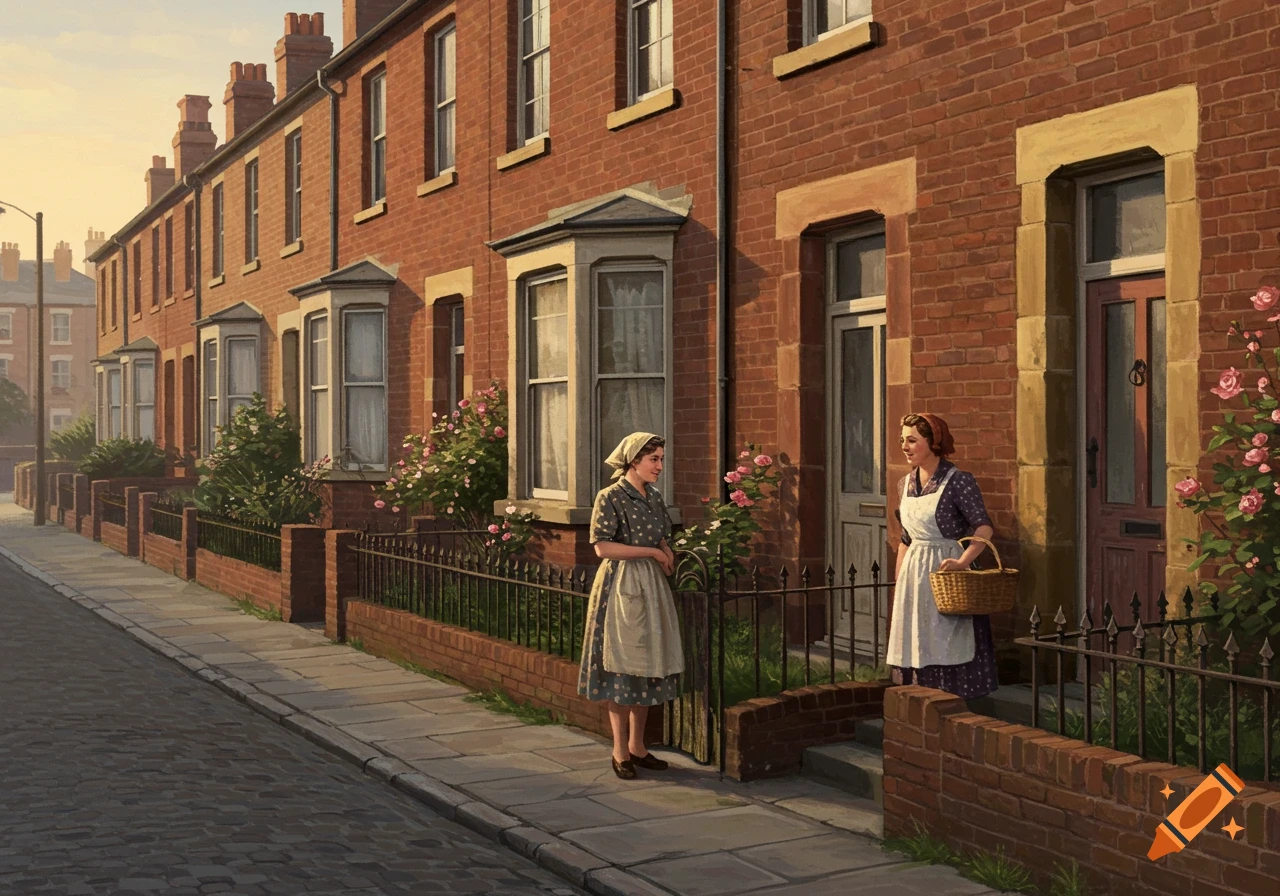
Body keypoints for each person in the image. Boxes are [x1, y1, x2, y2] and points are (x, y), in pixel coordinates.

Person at [578, 432, 685, 779]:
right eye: (653, 459)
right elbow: (603, 548)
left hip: (652, 586)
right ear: (633, 460)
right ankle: (619, 750)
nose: (659, 466)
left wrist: (666, 550)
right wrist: (653, 552)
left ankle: (639, 747)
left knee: (647, 665)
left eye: (661, 459)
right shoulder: (609, 496)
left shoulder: (653, 496)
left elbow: (660, 533)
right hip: (622, 584)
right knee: (623, 665)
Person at [887, 412, 999, 700]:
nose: (905, 446)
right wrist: (900, 582)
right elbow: (905, 539)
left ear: (933, 442)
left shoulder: (959, 480)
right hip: (915, 572)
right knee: (918, 639)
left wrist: (962, 563)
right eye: (903, 440)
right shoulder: (904, 484)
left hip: (947, 571)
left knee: (950, 637)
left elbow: (984, 528)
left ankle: (957, 703)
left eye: (912, 440)